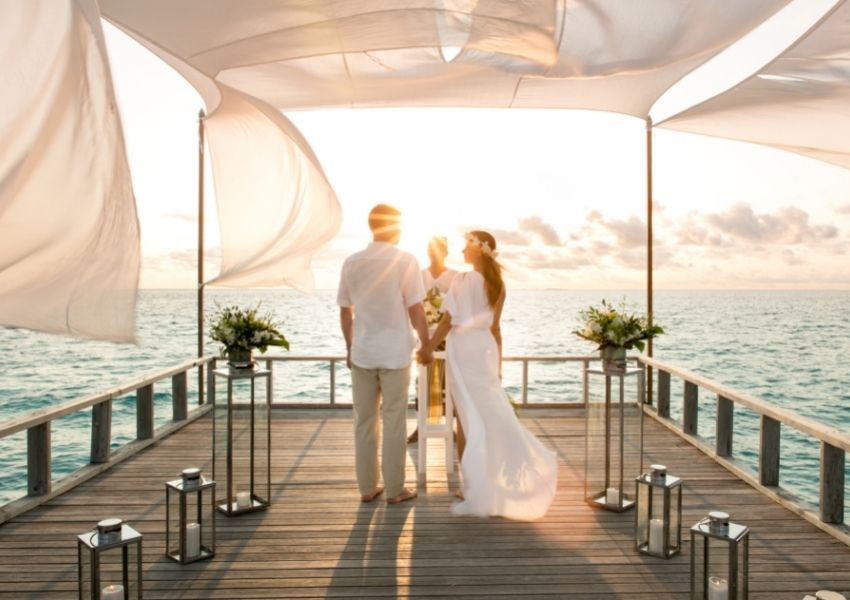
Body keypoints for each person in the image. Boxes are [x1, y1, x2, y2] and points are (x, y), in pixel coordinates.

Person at [418, 231, 558, 520]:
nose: (462, 251)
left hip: (463, 349)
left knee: (465, 416)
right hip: (484, 350)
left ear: (479, 251)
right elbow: (495, 328)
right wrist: (499, 363)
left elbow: (447, 321)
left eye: (467, 246)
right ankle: (498, 477)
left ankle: (472, 485)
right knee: (490, 413)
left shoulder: (462, 280)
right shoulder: (498, 285)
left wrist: (428, 348)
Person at [338, 204, 430, 505]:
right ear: (394, 228)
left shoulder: (352, 262)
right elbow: (416, 309)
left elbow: (345, 311)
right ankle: (394, 490)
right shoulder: (406, 261)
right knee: (394, 421)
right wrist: (426, 344)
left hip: (363, 353)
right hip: (395, 354)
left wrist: (350, 347)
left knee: (363, 421)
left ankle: (367, 488)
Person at [408, 236, 458, 444]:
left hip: (450, 336)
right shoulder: (419, 276)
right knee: (423, 383)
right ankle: (421, 426)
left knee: (450, 383)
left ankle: (451, 428)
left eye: (438, 249)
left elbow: (457, 308)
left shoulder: (456, 277)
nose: (434, 253)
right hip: (425, 336)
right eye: (431, 249)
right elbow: (413, 305)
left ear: (446, 252)